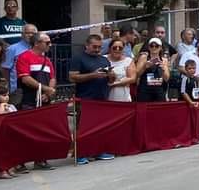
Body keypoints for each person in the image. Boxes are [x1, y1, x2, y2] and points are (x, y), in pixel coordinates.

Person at [68, 34, 119, 164]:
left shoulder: (104, 59)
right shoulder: (78, 58)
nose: (97, 49)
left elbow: (110, 80)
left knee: (100, 127)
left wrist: (111, 75)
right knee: (83, 128)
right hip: (85, 99)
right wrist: (93, 75)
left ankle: (98, 151)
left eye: (99, 47)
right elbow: (72, 77)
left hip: (102, 99)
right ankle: (80, 154)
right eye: (94, 47)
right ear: (87, 45)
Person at [15, 32, 57, 171]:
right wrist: (45, 89)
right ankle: (20, 162)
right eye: (47, 42)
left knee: (42, 130)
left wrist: (49, 91)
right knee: (25, 131)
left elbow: (52, 77)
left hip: (43, 101)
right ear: (37, 43)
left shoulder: (48, 60)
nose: (49, 45)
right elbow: (25, 78)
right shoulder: (24, 57)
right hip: (28, 100)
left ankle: (40, 159)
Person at [2, 23, 37, 98]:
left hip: (35, 88)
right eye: (27, 33)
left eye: (33, 33)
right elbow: (5, 69)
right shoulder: (12, 49)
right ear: (22, 34)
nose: (30, 35)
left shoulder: (38, 49)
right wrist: (8, 88)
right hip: (17, 90)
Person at [135, 38, 170, 102]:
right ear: (148, 47)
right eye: (151, 46)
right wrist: (144, 67)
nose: (154, 48)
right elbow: (137, 74)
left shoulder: (164, 60)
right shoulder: (144, 57)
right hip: (145, 89)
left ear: (160, 47)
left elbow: (167, 78)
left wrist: (163, 69)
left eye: (156, 46)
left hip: (159, 89)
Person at [105, 38, 135, 102]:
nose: (117, 49)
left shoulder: (128, 60)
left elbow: (132, 78)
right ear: (110, 48)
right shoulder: (103, 58)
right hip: (105, 94)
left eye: (120, 48)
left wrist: (116, 83)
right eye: (114, 47)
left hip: (122, 95)